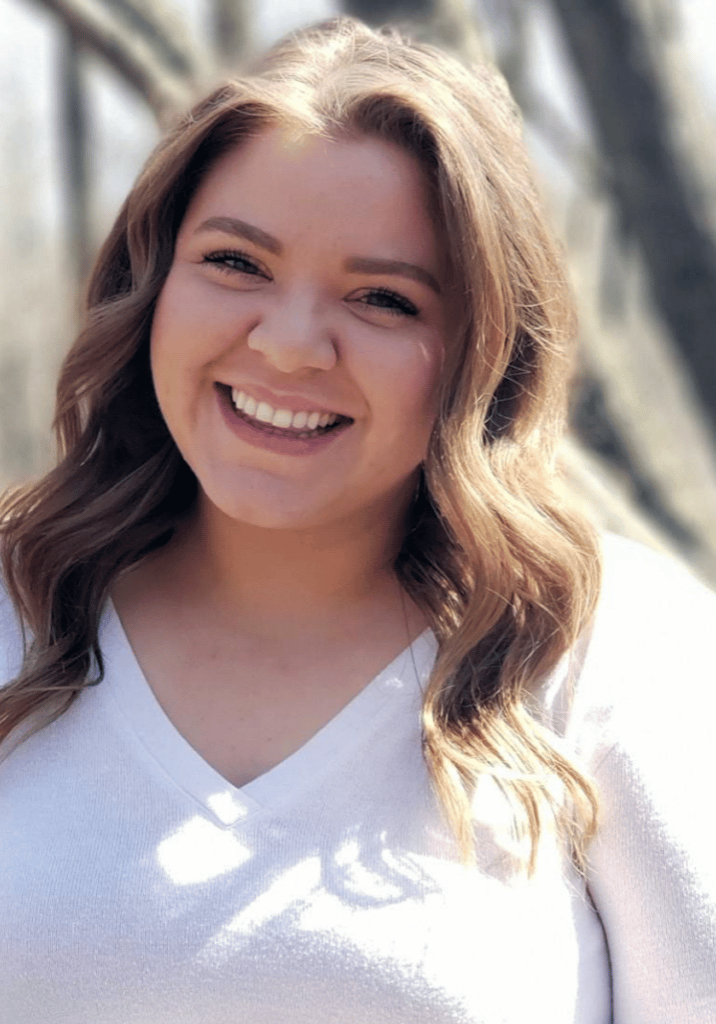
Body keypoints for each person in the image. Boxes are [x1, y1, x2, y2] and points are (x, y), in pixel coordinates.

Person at [0, 16, 714, 1024]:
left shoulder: (608, 645)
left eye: (382, 298)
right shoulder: (15, 600)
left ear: (479, 353)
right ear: (150, 284)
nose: (290, 346)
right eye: (235, 264)